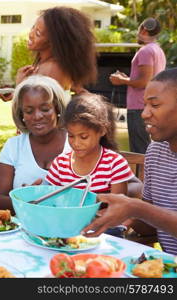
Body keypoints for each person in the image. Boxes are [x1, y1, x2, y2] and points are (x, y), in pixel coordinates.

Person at [84, 68, 177, 255]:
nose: (144, 114)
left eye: (155, 105)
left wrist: (137, 208)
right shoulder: (156, 152)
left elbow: (146, 211)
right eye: (144, 105)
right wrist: (118, 216)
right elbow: (152, 226)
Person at [0, 76, 70, 213]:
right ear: (21, 115)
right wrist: (25, 200)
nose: (37, 116)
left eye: (45, 109)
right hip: (23, 228)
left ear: (57, 108)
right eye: (29, 111)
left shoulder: (76, 143)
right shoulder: (14, 146)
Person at [0, 6, 97, 102]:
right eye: (33, 28)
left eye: (38, 33)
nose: (31, 34)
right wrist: (14, 93)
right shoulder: (46, 65)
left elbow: (40, 109)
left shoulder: (53, 69)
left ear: (53, 42)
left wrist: (20, 85)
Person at [46, 93, 134, 194]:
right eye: (71, 136)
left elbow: (118, 206)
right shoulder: (60, 164)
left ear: (102, 131)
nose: (76, 143)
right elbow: (51, 201)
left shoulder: (115, 165)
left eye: (83, 137)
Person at [109, 17, 166, 154]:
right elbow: (148, 79)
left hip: (139, 107)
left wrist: (121, 80)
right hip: (150, 105)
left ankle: (143, 176)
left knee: (139, 151)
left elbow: (144, 82)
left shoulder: (145, 51)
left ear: (144, 29)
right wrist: (126, 78)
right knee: (148, 148)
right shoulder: (158, 50)